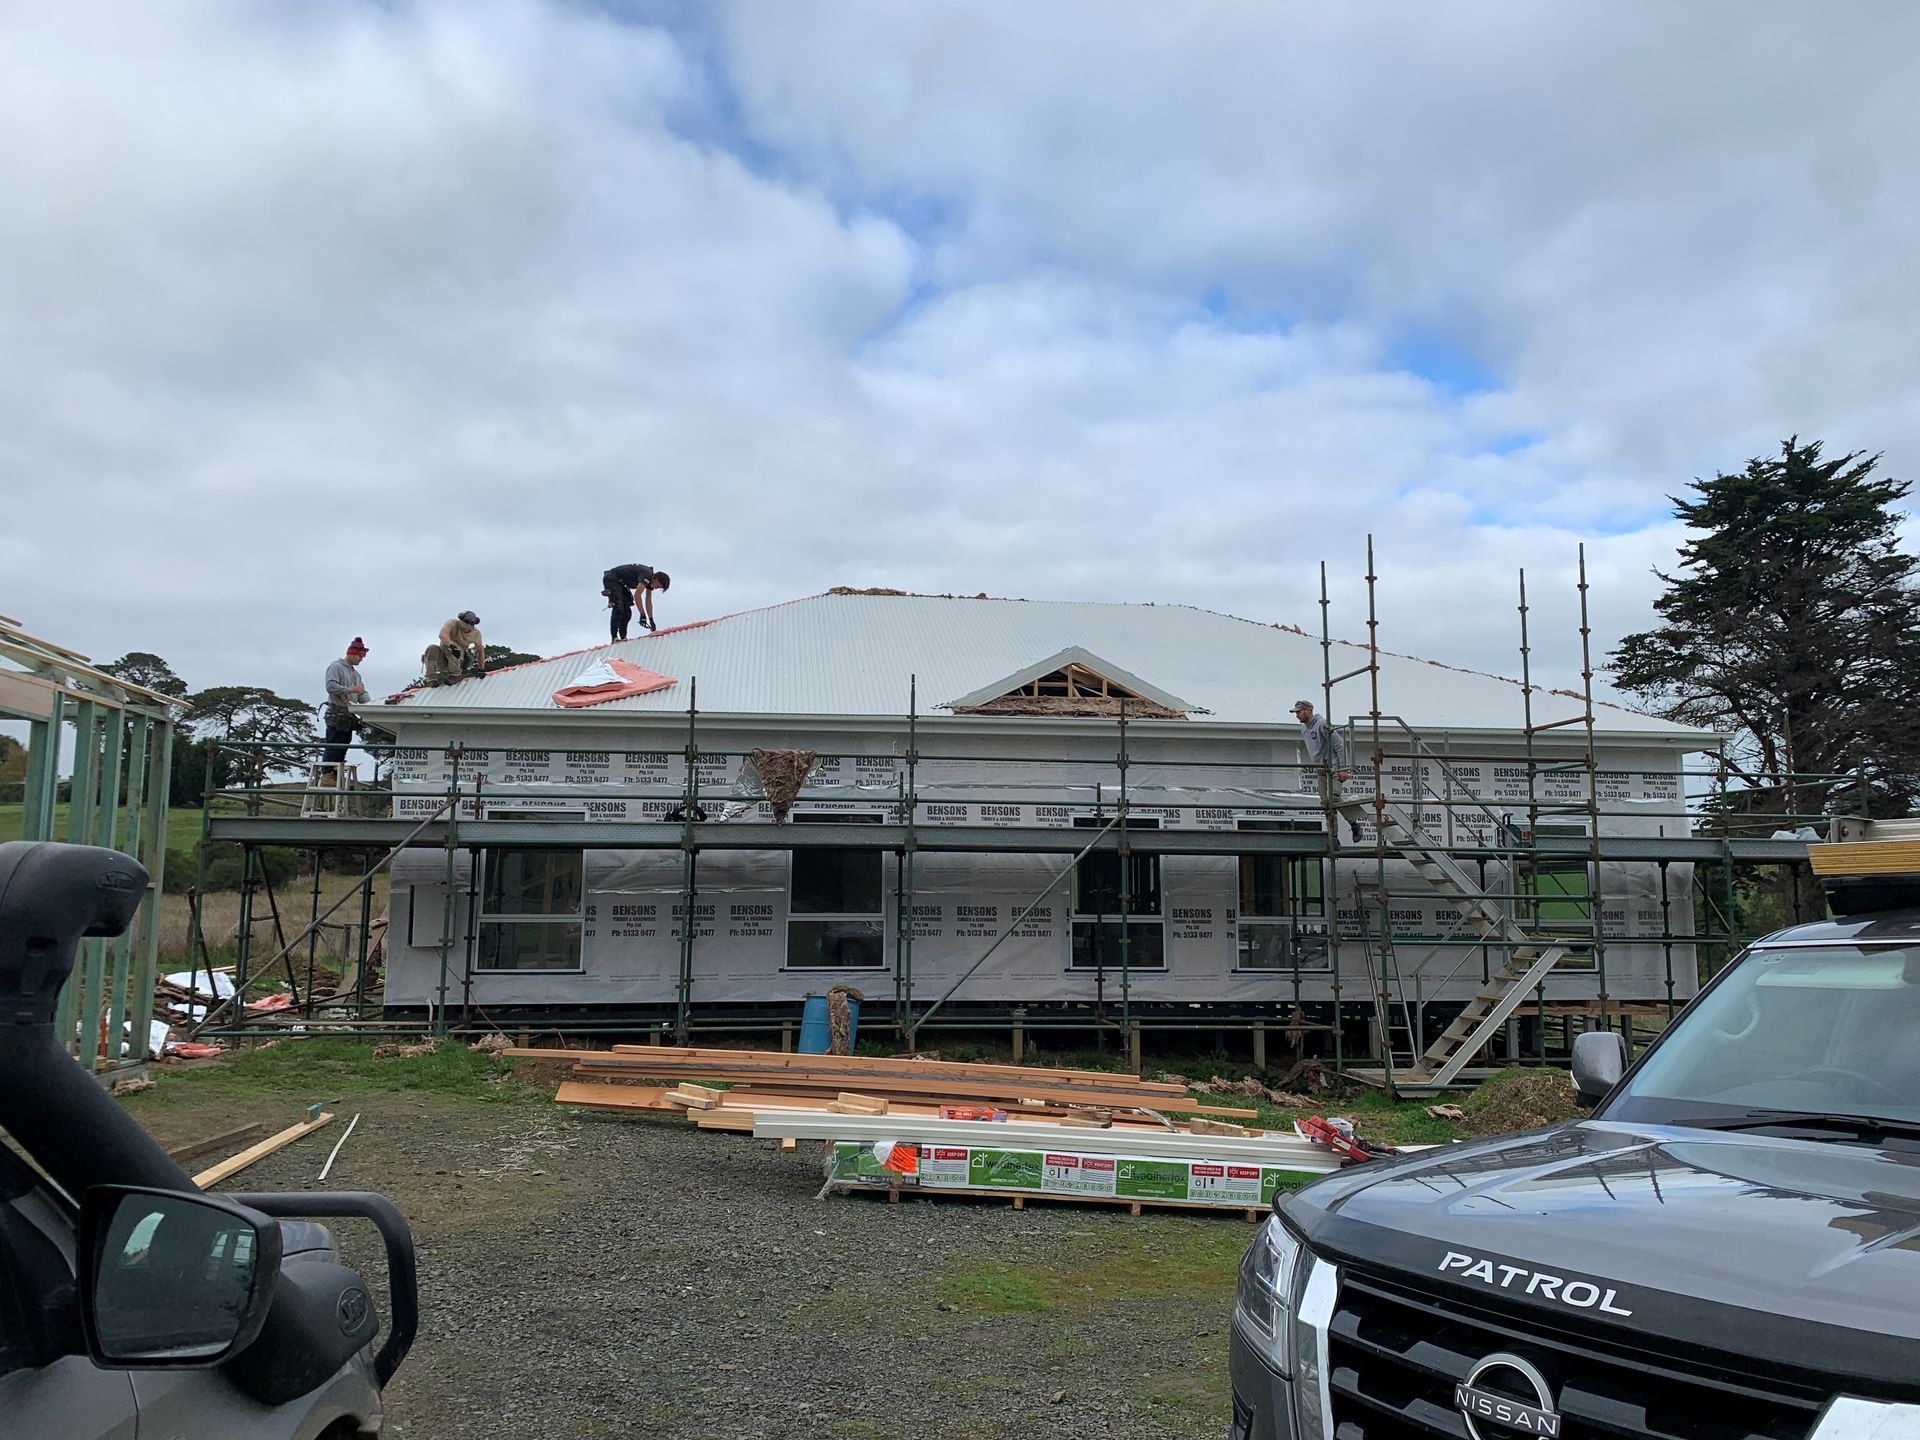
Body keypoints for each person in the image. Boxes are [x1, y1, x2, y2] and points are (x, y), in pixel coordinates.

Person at [1292, 699, 1361, 841]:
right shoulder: (1304, 729)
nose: (1297, 715)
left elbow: (1339, 745)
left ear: (1308, 711)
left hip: (1333, 768)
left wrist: (1342, 768)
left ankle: (1354, 824)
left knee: (1333, 797)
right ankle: (1333, 836)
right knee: (1325, 804)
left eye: (1299, 712)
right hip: (1321, 770)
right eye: (1296, 713)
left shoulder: (1322, 725)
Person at [322, 638, 370, 769]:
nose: (361, 659)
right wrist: (351, 690)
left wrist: (373, 703)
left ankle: (335, 772)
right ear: (352, 654)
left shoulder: (356, 675)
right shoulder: (336, 667)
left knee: (343, 746)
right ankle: (327, 774)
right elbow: (331, 686)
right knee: (334, 746)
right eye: (360, 656)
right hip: (336, 712)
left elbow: (361, 694)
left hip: (348, 715)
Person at [600, 563, 670, 637]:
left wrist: (651, 619)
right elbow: (637, 595)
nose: (656, 588)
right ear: (656, 579)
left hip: (621, 583)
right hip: (612, 578)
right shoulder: (647, 574)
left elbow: (648, 601)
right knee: (619, 608)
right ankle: (614, 637)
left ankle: (623, 637)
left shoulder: (650, 582)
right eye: (658, 586)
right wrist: (642, 614)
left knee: (627, 612)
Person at [423, 611, 484, 686]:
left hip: (460, 661)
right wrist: (452, 647)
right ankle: (431, 679)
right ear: (460, 620)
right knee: (431, 648)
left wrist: (481, 669)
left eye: (468, 628)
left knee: (452, 647)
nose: (465, 629)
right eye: (464, 626)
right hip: (444, 659)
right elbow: (442, 635)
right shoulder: (452, 623)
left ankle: (455, 675)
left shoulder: (476, 634)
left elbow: (479, 651)